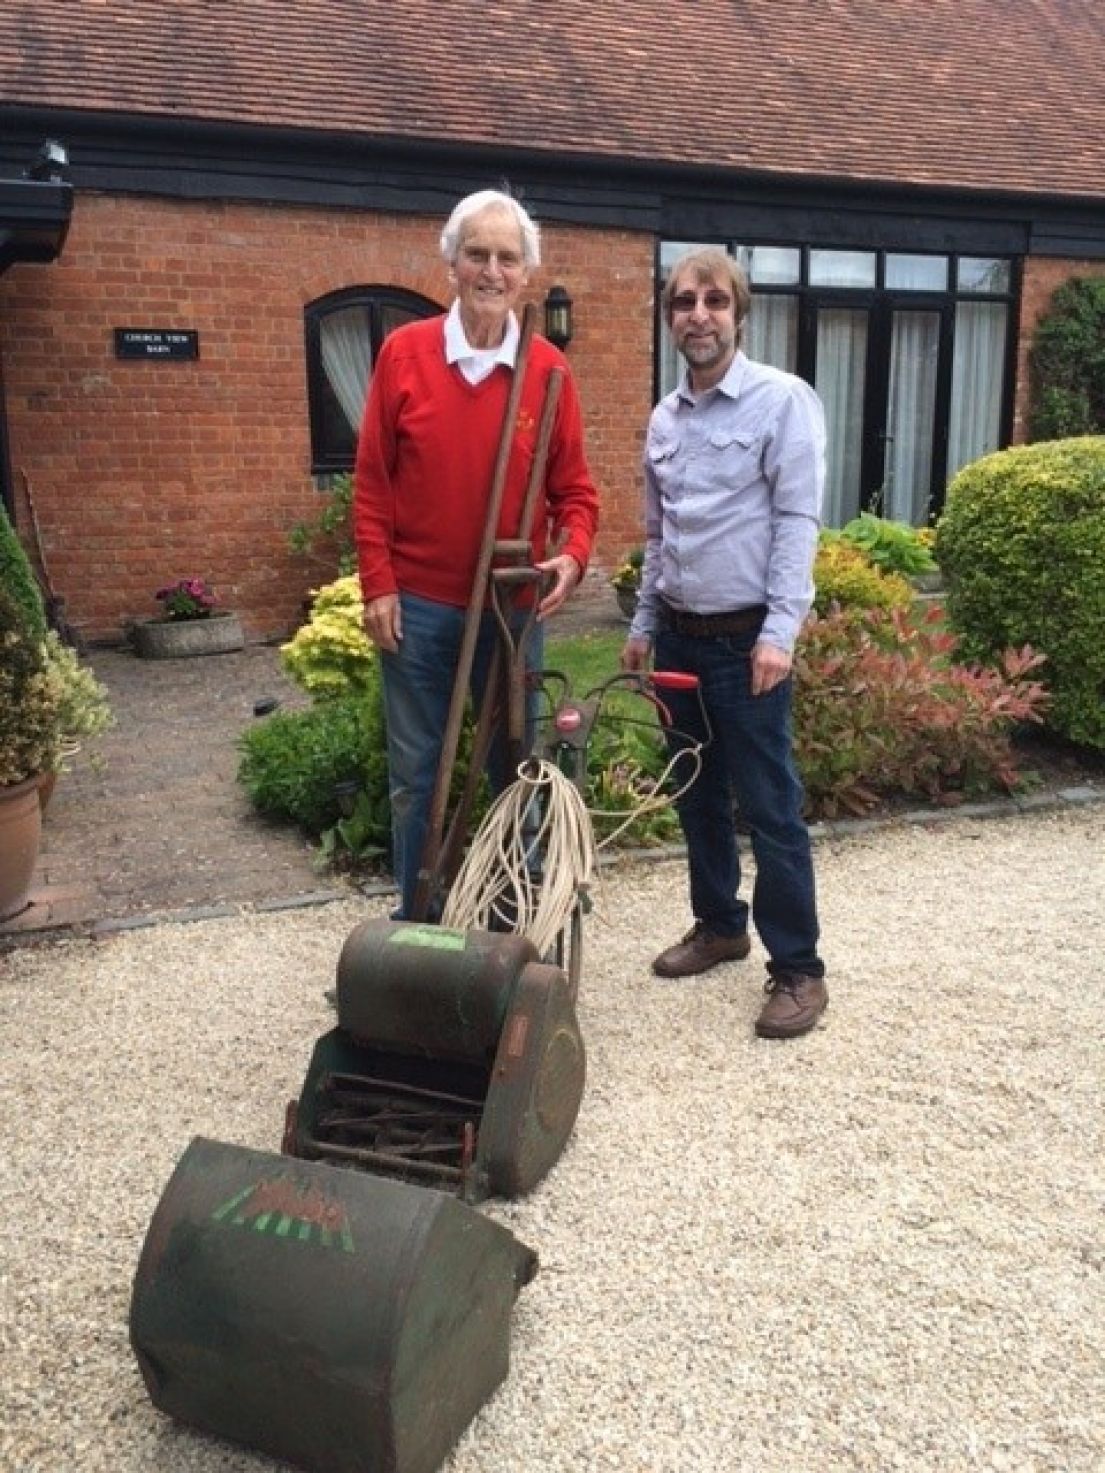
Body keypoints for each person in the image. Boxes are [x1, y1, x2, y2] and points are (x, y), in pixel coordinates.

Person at [353, 189, 599, 920]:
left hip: (512, 607)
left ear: (525, 273)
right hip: (421, 607)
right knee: (415, 777)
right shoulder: (404, 354)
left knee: (517, 772)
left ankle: (506, 924)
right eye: (477, 254)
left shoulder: (548, 370)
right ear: (451, 265)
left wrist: (573, 555)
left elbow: (577, 492)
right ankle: (418, 923)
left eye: (506, 257)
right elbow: (371, 482)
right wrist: (378, 583)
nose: (491, 270)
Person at [622, 246, 827, 1039]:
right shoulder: (663, 418)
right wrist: (642, 625)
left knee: (770, 807)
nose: (697, 315)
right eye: (683, 302)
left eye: (713, 301)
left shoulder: (782, 402)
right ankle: (718, 925)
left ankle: (798, 968)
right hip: (677, 635)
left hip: (748, 644)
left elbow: (796, 523)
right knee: (695, 791)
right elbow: (656, 530)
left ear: (739, 314)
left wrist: (780, 632)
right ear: (669, 316)